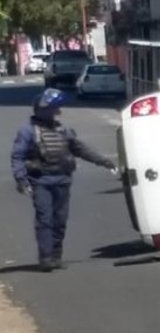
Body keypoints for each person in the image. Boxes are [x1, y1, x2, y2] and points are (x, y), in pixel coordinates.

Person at [10, 88, 117, 271]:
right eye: (52, 108)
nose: (56, 111)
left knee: (60, 220)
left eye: (55, 108)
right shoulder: (27, 131)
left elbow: (80, 149)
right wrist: (21, 180)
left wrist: (104, 161)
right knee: (45, 219)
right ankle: (46, 258)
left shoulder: (63, 130)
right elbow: (17, 156)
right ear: (41, 109)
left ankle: (56, 255)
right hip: (41, 181)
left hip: (62, 180)